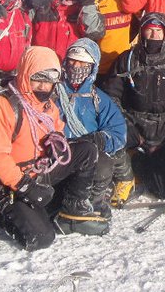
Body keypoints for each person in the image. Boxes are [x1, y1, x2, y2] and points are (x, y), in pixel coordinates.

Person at [0, 46, 108, 250]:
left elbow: (58, 129)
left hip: (41, 170)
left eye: (48, 82)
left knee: (86, 150)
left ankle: (73, 209)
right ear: (25, 74)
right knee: (42, 237)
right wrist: (26, 187)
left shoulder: (49, 105)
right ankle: (3, 211)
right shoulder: (2, 106)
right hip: (13, 182)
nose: (42, 87)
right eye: (37, 79)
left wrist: (58, 143)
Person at [102, 13, 165, 199]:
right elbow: (111, 96)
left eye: (158, 31)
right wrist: (124, 124)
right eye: (149, 30)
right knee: (162, 188)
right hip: (134, 128)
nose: (154, 35)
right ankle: (132, 160)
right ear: (141, 32)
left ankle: (154, 162)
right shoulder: (127, 59)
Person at [55, 38, 128, 217]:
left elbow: (118, 132)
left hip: (87, 154)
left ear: (92, 67)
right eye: (72, 61)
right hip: (57, 152)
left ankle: (93, 202)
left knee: (103, 163)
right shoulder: (53, 93)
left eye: (82, 63)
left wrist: (99, 139)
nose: (76, 66)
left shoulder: (99, 99)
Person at [28, 0, 105, 62]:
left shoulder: (86, 12)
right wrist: (25, 1)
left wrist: (87, 2)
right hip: (43, 69)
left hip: (73, 70)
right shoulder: (42, 9)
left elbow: (95, 32)